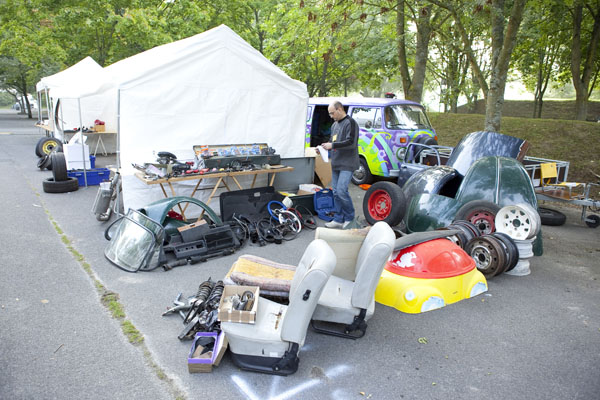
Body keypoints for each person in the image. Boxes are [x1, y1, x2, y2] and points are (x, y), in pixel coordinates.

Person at [320, 101, 359, 229]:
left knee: (342, 190)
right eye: (330, 114)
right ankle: (338, 219)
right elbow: (333, 141)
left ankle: (350, 218)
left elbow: (351, 142)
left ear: (340, 109)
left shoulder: (351, 123)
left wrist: (333, 145)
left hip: (348, 163)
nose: (331, 116)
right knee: (336, 192)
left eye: (332, 113)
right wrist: (325, 147)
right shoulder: (334, 125)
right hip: (336, 163)